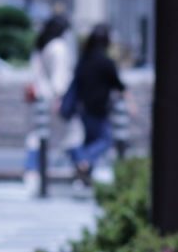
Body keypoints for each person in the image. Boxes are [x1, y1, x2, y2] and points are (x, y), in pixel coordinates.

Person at [67, 24, 126, 186]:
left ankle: (85, 176)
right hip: (100, 108)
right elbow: (118, 84)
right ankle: (83, 160)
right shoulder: (106, 62)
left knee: (91, 139)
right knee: (105, 140)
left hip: (83, 107)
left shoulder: (84, 60)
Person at [23, 14, 73, 194]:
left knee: (37, 135)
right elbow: (60, 77)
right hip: (54, 98)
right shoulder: (59, 47)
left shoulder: (41, 45)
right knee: (71, 134)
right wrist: (61, 97)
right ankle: (81, 169)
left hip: (40, 98)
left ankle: (32, 170)